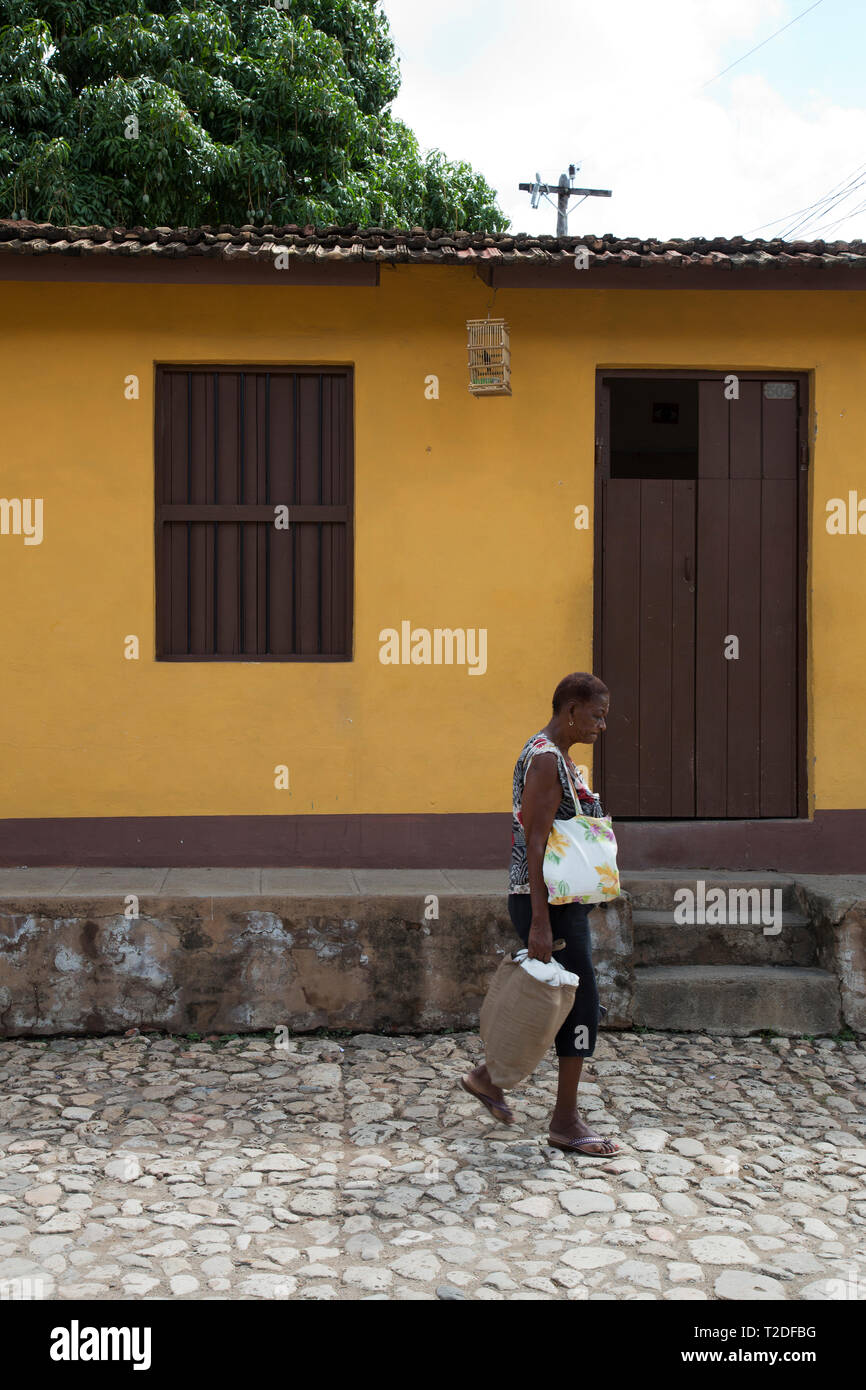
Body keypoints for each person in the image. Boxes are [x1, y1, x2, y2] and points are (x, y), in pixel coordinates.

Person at [462, 672, 620, 1157]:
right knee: (583, 1002)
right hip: (547, 902)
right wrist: (539, 921)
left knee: (564, 999)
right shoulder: (546, 760)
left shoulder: (561, 759)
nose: (601, 726)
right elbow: (533, 842)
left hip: (560, 901)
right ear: (570, 709)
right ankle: (565, 1122)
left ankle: (488, 1078)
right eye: (596, 715)